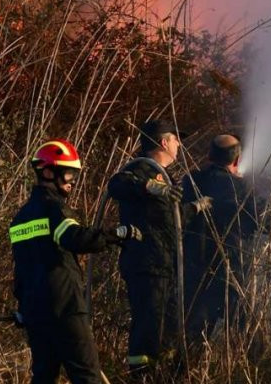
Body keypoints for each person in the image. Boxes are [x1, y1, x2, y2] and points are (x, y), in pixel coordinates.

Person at [10, 138, 143, 384]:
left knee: (43, 376)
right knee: (86, 376)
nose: (72, 181)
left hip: (35, 311)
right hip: (65, 307)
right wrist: (117, 234)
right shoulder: (53, 207)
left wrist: (22, 307)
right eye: (69, 173)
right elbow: (75, 238)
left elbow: (22, 269)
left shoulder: (20, 217)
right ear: (48, 172)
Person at [107, 119, 211, 379]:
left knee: (169, 326)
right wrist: (150, 186)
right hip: (145, 263)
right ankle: (141, 375)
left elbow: (168, 219)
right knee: (148, 326)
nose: (178, 145)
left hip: (165, 264)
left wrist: (196, 207)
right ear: (164, 142)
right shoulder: (141, 169)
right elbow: (116, 185)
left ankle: (165, 374)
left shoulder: (167, 177)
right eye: (176, 139)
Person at [181, 134, 260, 342]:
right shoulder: (242, 188)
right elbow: (259, 222)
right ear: (236, 161)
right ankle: (251, 368)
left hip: (193, 264)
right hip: (230, 265)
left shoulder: (190, 180)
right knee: (243, 327)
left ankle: (181, 371)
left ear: (209, 156)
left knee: (193, 329)